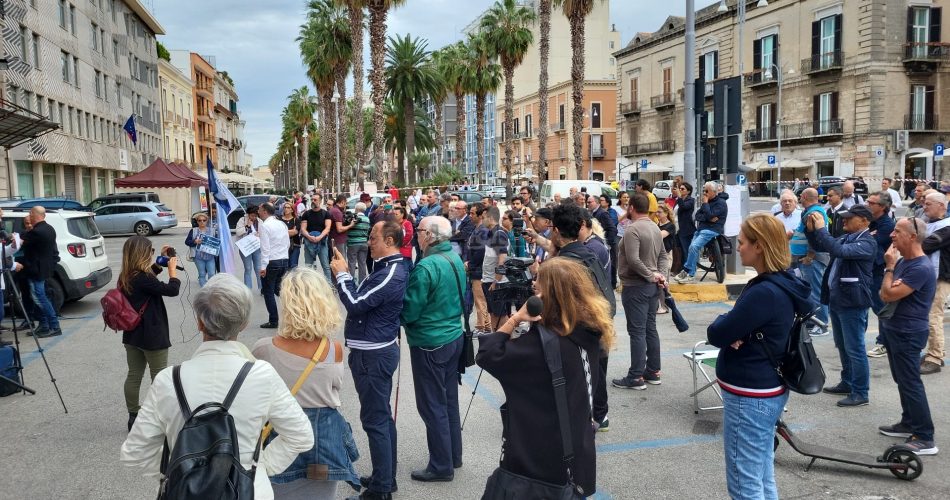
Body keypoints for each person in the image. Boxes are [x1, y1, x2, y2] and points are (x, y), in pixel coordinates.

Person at [120, 274, 314, 498]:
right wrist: (259, 467)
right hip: (249, 489)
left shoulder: (167, 380)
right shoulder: (262, 375)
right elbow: (301, 436)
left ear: (199, 322)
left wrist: (177, 469)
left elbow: (134, 453)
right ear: (243, 324)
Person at [476, 257, 615, 498]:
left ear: (546, 298)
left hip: (538, 456)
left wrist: (515, 318)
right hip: (576, 448)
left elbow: (488, 354)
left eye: (538, 284)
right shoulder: (588, 331)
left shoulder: (542, 346)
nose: (532, 285)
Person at [707, 214, 814, 499]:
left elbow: (717, 333)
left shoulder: (765, 292)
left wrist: (730, 322)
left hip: (751, 395)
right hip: (765, 388)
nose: (738, 247)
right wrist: (736, 326)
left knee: (745, 483)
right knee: (760, 472)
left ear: (760, 246)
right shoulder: (782, 282)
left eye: (742, 242)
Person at [251, 267, 360, 499]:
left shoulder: (264, 349)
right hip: (324, 441)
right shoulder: (333, 350)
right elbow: (334, 388)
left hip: (281, 437)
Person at [332, 222, 409, 500]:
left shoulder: (391, 272)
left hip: (373, 354)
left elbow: (355, 302)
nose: (369, 242)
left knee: (376, 420)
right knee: (381, 418)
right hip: (372, 350)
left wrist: (342, 277)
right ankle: (384, 477)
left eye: (373, 238)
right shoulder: (386, 268)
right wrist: (344, 275)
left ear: (389, 240)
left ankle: (381, 490)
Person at [400, 216, 465, 482]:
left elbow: (411, 311)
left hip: (430, 341)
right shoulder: (454, 258)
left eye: (419, 230)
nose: (416, 234)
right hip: (453, 336)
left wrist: (399, 317)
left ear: (430, 236)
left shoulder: (427, 266)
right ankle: (453, 456)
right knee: (448, 401)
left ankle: (441, 465)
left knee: (432, 405)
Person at [877, 217, 937, 455]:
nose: (892, 235)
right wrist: (893, 269)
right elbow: (887, 292)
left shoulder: (920, 267)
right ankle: (909, 422)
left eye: (897, 231)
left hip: (908, 333)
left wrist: (889, 267)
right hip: (895, 329)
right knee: (902, 380)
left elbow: (888, 294)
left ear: (912, 236)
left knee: (911, 383)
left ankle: (924, 436)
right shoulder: (906, 262)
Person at [805, 205, 876, 407]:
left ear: (864, 221)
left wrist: (821, 229)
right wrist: (812, 231)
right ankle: (847, 382)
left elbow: (837, 250)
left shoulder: (866, 242)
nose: (844, 221)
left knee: (855, 349)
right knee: (843, 346)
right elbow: (822, 246)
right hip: (839, 299)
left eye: (849, 218)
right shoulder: (848, 238)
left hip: (853, 302)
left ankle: (861, 392)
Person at [117, 236, 181, 431]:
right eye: (151, 251)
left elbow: (148, 279)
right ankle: (159, 417)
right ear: (143, 254)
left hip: (132, 334)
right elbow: (171, 290)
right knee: (160, 377)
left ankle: (133, 415)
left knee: (134, 375)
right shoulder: (143, 279)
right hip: (152, 335)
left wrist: (160, 261)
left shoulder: (127, 276)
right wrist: (172, 272)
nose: (152, 254)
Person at [614, 192, 668, 390]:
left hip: (636, 286)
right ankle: (652, 371)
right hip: (651, 286)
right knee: (650, 329)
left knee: (637, 332)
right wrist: (660, 275)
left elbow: (633, 260)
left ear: (631, 208)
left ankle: (636, 376)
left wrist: (652, 275)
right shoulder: (654, 227)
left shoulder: (632, 229)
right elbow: (663, 256)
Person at [13, 206, 61, 337]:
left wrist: (14, 238)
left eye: (30, 213)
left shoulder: (37, 231)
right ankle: (45, 326)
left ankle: (54, 326)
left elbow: (19, 243)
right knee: (39, 297)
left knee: (40, 298)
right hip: (42, 269)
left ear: (35, 214)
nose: (30, 215)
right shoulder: (49, 228)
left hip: (36, 270)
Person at [674, 181, 728, 284]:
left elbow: (710, 214)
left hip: (712, 230)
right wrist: (708, 217)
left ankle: (686, 271)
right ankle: (691, 274)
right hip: (701, 229)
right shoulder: (706, 202)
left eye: (706, 191)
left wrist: (706, 206)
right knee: (692, 248)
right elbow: (698, 216)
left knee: (694, 247)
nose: (704, 193)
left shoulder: (720, 203)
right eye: (704, 191)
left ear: (714, 191)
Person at [794, 188, 831, 335]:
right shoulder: (813, 211)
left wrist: (810, 255)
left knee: (817, 291)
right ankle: (813, 321)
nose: (799, 199)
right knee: (811, 291)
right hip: (810, 258)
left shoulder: (813, 213)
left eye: (800, 197)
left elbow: (815, 236)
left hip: (813, 259)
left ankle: (822, 325)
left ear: (803, 197)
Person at [920, 192, 950, 374]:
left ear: (941, 206)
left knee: (933, 317)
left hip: (941, 278)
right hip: (930, 276)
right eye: (924, 203)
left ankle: (935, 358)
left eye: (928, 204)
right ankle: (936, 352)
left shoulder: (946, 226)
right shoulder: (932, 224)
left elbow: (925, 245)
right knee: (930, 316)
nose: (924, 207)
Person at [866, 191, 898, 358]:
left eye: (872, 203)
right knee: (871, 305)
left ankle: (884, 342)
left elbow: (870, 243)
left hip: (879, 271)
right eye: (868, 201)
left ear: (883, 207)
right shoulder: (872, 223)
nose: (867, 204)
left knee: (881, 308)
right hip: (870, 270)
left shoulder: (886, 225)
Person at [259, 203, 291, 329]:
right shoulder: (281, 223)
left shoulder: (265, 226)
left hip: (271, 261)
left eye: (260, 210)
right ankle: (294, 313)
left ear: (265, 211)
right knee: (280, 290)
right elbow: (287, 243)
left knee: (269, 292)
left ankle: (273, 320)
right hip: (283, 259)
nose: (259, 212)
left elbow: (265, 248)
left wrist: (263, 266)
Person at [481, 207, 512, 327]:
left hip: (496, 284)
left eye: (483, 218)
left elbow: (502, 260)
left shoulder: (498, 234)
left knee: (501, 316)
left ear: (491, 218)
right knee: (494, 314)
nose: (482, 220)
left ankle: (502, 342)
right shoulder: (491, 233)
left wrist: (496, 281)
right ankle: (495, 341)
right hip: (489, 281)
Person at [465, 205, 491, 334]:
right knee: (478, 300)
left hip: (479, 270)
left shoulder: (483, 231)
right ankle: (482, 325)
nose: (470, 216)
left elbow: (481, 251)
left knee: (481, 301)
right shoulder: (477, 229)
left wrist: (470, 264)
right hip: (476, 269)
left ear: (480, 215)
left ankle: (484, 327)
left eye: (473, 213)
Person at [300, 196, 333, 280]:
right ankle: (310, 286)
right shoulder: (306, 214)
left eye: (315, 200)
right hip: (308, 242)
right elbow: (303, 229)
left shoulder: (326, 214)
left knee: (325, 266)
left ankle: (329, 287)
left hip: (322, 243)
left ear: (320, 201)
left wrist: (320, 237)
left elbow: (327, 228)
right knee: (308, 266)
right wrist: (309, 237)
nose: (313, 201)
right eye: (312, 200)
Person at [185, 212, 218, 286]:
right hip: (198, 256)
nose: (202, 222)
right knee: (202, 274)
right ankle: (203, 290)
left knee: (212, 273)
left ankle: (210, 288)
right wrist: (195, 241)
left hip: (210, 256)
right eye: (199, 220)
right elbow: (187, 242)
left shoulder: (212, 230)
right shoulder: (193, 230)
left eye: (204, 220)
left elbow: (216, 243)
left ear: (207, 221)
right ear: (197, 221)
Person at [235, 205, 263, 290]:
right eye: (252, 215)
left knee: (258, 268)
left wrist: (259, 234)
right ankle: (248, 288)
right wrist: (247, 226)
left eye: (255, 215)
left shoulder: (259, 221)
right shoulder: (242, 220)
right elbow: (238, 232)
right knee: (248, 268)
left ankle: (262, 288)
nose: (254, 217)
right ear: (248, 214)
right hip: (245, 248)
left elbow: (264, 233)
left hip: (256, 247)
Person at [656, 204, 676, 314]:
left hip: (666, 256)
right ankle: (660, 304)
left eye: (659, 212)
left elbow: (660, 235)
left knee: (663, 281)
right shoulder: (656, 225)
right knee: (658, 281)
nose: (657, 214)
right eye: (656, 212)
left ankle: (664, 306)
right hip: (656, 255)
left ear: (666, 213)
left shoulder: (670, 226)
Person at [346, 203, 371, 285]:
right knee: (362, 263)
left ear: (356, 209)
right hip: (364, 243)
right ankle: (362, 283)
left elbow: (348, 228)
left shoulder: (353, 218)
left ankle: (351, 282)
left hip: (353, 243)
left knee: (352, 263)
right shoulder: (367, 219)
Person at [280, 201, 302, 269]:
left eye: (288, 207)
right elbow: (278, 232)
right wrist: (290, 231)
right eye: (285, 207)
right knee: (284, 267)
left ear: (292, 209)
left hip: (294, 245)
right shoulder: (279, 220)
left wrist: (282, 231)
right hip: (282, 246)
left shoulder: (296, 220)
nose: (286, 209)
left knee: (293, 266)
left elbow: (295, 232)